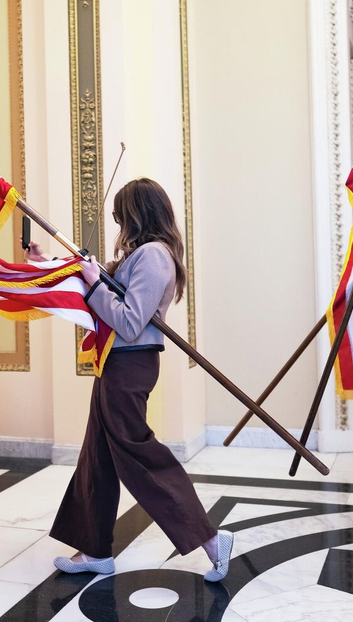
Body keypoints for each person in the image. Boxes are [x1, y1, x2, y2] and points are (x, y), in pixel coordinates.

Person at [27, 178, 233, 581]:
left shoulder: (155, 256)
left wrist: (91, 284)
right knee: (98, 457)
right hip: (116, 364)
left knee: (139, 456)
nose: (118, 221)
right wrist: (45, 262)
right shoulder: (141, 255)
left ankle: (209, 539)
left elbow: (129, 320)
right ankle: (94, 549)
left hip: (130, 364)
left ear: (138, 213)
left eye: (122, 214)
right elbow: (96, 279)